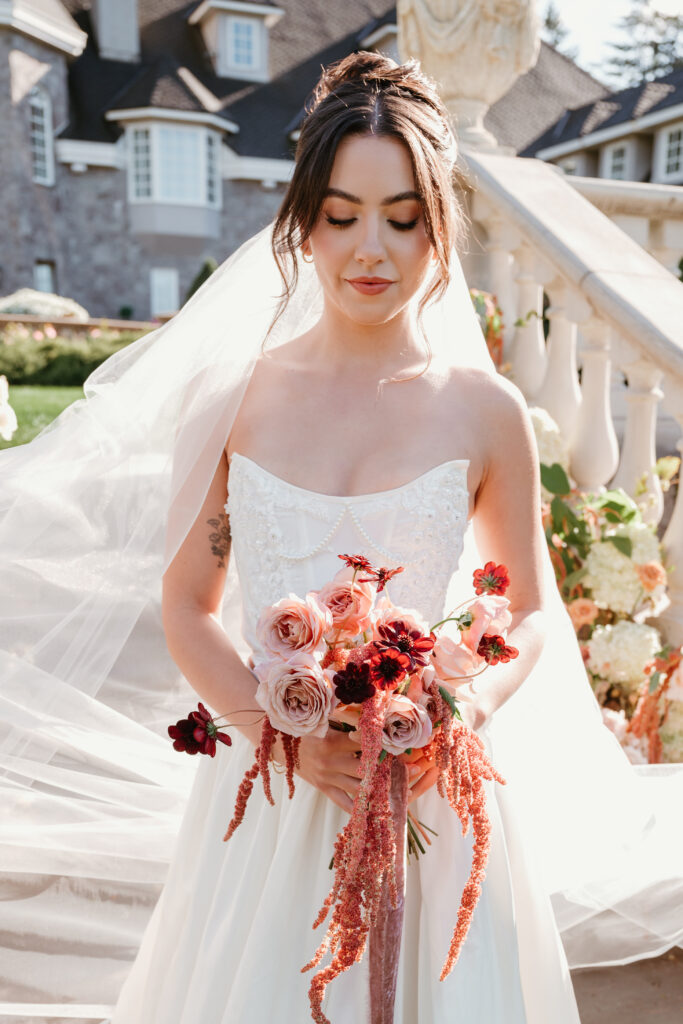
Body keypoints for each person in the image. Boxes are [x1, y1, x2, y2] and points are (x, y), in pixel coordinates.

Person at [0, 52, 680, 1024]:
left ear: (437, 225)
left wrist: (464, 705)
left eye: (402, 218)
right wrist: (276, 724)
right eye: (341, 214)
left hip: (431, 796)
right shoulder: (235, 399)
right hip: (270, 799)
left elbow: (527, 608)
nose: (371, 247)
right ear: (302, 223)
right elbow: (186, 606)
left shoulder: (483, 412)